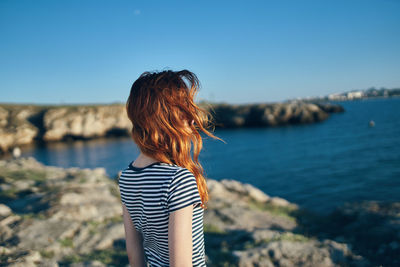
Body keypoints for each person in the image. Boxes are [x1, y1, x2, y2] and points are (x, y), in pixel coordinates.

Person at [118, 69, 224, 266]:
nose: (192, 119)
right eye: (184, 110)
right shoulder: (178, 180)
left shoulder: (127, 176)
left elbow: (134, 252)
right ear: (166, 119)